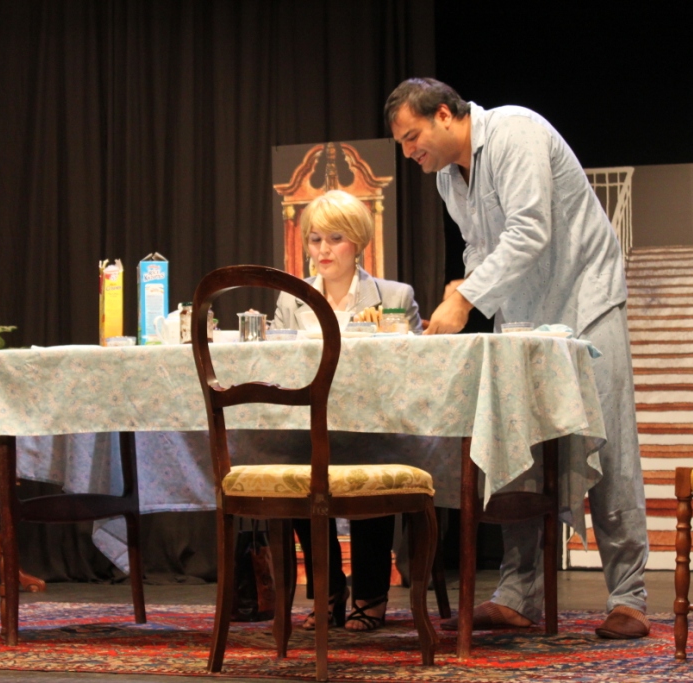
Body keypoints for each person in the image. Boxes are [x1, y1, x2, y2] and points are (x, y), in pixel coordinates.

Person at [384, 77, 651, 639]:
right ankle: (517, 593)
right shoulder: (448, 179)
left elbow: (530, 230)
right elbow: (479, 247)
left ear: (444, 114)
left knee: (607, 440)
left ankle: (629, 597)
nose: (409, 153)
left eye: (412, 137)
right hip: (523, 315)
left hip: (585, 299)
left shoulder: (515, 132)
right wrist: (468, 290)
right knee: (516, 446)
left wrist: (465, 298)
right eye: (403, 144)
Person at [272, 189, 423, 632]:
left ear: (358, 242)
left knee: (370, 455)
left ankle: (371, 594)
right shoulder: (290, 299)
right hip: (309, 423)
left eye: (335, 239)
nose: (323, 250)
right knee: (291, 460)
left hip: (376, 422)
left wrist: (390, 336)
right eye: (315, 239)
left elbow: (418, 368)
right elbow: (274, 361)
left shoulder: (394, 295)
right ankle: (329, 589)